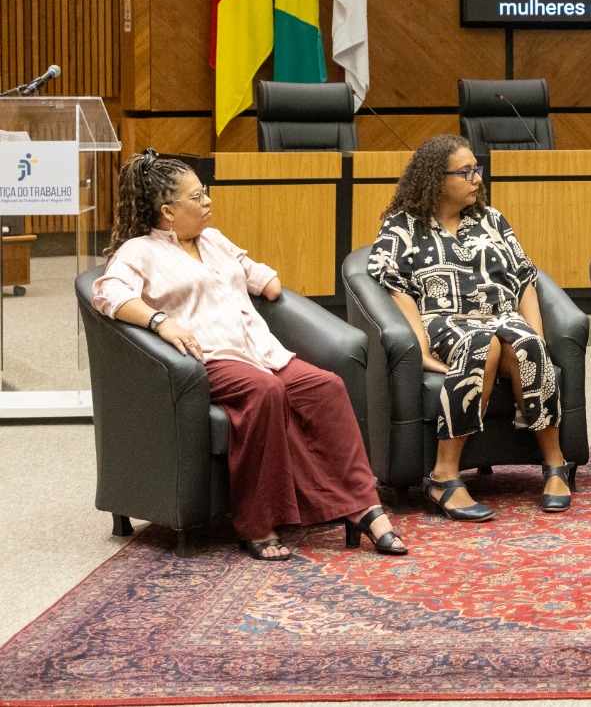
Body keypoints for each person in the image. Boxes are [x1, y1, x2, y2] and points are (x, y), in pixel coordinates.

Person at [92, 152, 404, 561]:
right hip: (208, 357)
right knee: (265, 391)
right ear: (167, 211)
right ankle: (256, 523)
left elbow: (261, 280)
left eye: (204, 193)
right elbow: (107, 293)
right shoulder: (140, 251)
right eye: (196, 196)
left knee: (325, 387)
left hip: (260, 349)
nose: (207, 202)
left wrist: (264, 282)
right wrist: (160, 322)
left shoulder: (214, 240)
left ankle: (364, 506)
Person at [368, 134, 571, 519]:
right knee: (484, 344)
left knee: (527, 345)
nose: (478, 178)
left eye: (476, 170)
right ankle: (444, 476)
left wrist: (536, 334)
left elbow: (525, 278)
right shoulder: (403, 227)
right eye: (466, 172)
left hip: (502, 314)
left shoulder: (491, 219)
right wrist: (421, 349)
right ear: (436, 180)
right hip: (444, 320)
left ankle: (555, 464)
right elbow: (394, 288)